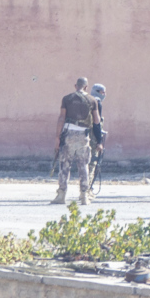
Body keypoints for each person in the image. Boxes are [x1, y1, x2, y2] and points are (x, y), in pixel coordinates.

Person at [51, 77, 103, 206]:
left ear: (76, 86)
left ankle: (61, 195)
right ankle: (84, 196)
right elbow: (97, 121)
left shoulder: (67, 98)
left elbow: (61, 118)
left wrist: (57, 137)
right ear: (86, 87)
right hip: (83, 136)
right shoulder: (92, 100)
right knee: (83, 166)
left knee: (64, 165)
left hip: (68, 134)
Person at [87, 83, 107, 195]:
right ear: (98, 92)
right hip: (93, 136)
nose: (104, 95)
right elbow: (96, 123)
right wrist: (99, 141)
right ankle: (87, 189)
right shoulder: (97, 102)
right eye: (103, 92)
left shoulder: (86, 100)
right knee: (93, 162)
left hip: (83, 135)